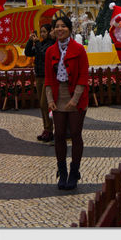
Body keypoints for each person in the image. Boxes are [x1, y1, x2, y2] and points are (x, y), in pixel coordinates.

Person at [45, 16, 89, 190]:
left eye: (63, 26)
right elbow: (48, 78)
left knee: (76, 134)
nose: (60, 29)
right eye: (57, 27)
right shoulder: (50, 51)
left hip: (76, 96)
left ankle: (74, 171)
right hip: (58, 96)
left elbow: (83, 76)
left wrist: (74, 99)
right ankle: (62, 171)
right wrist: (50, 100)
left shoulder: (79, 49)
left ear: (70, 29)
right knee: (60, 135)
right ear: (54, 30)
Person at [25, 24, 55, 143]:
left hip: (47, 77)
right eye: (41, 32)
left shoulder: (51, 44)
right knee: (42, 105)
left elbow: (44, 54)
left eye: (44, 32)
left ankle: (49, 129)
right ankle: (46, 129)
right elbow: (28, 53)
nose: (42, 34)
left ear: (49, 32)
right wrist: (30, 40)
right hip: (39, 76)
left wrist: (37, 42)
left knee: (44, 104)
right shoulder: (41, 43)